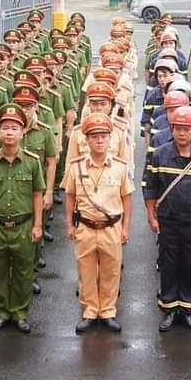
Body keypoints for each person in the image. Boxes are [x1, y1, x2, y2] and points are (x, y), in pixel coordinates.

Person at [144, 105, 191, 333]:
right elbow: (151, 189)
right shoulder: (160, 155)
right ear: (172, 129)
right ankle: (169, 308)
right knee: (168, 265)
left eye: (187, 129)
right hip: (167, 221)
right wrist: (151, 217)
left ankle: (188, 310)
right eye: (178, 128)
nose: (182, 133)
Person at [0, 104, 46, 334]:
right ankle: (2, 313)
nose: (9, 132)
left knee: (23, 272)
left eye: (14, 128)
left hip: (23, 225)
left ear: (22, 132)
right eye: (5, 127)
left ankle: (19, 313)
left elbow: (37, 194)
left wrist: (37, 225)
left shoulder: (32, 161)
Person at [64, 113, 134, 334]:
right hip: (85, 226)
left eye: (104, 136)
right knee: (86, 271)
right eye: (95, 137)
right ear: (87, 140)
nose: (100, 140)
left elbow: (126, 198)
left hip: (111, 227)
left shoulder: (120, 167)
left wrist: (125, 227)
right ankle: (90, 310)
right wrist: (69, 225)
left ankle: (108, 311)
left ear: (110, 138)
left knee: (111, 271)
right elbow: (70, 197)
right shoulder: (76, 167)